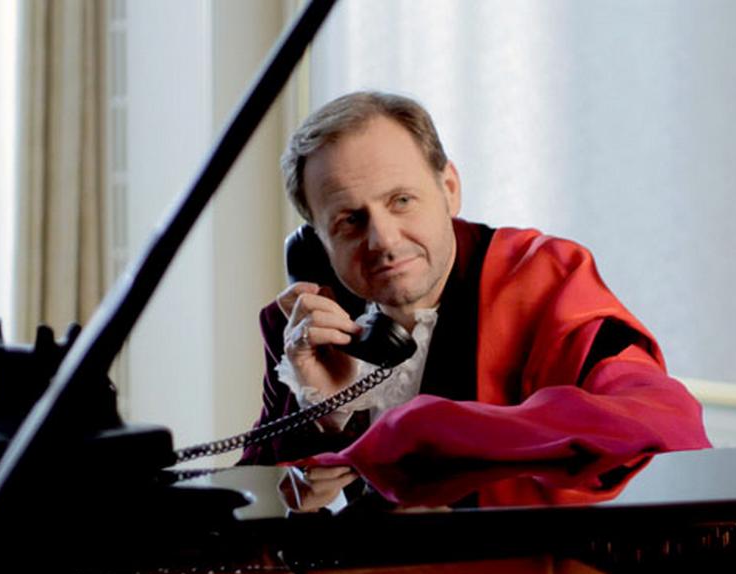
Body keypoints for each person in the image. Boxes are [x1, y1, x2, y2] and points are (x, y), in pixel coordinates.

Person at [240, 91, 710, 511]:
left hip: (519, 572)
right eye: (349, 220)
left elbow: (668, 426)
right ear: (317, 242)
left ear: (449, 190)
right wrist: (322, 412)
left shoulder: (546, 279)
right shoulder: (304, 326)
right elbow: (248, 509)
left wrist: (424, 432)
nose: (383, 240)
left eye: (401, 201)